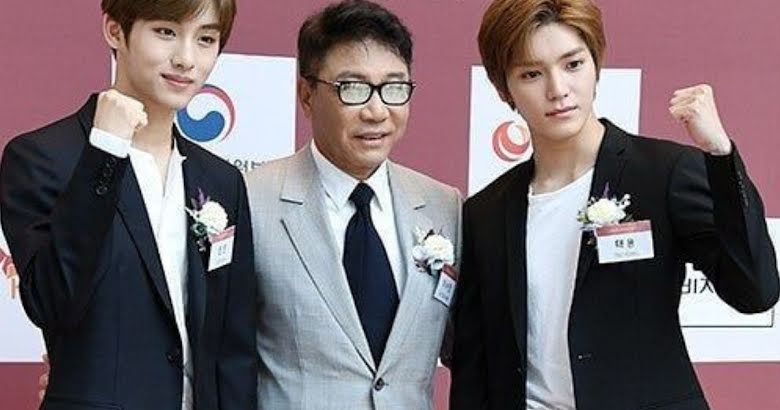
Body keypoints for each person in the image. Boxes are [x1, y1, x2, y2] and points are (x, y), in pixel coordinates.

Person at [450, 0, 779, 409]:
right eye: (532, 74)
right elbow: (474, 365)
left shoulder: (663, 173)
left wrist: (720, 155)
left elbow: (755, 291)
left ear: (596, 64)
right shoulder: (485, 212)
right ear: (504, 88)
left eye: (573, 64)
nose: (558, 89)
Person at [0, 1, 256, 409]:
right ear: (115, 31)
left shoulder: (221, 180)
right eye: (166, 32)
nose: (186, 58)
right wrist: (106, 150)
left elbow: (233, 347)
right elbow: (52, 303)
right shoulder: (42, 158)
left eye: (206, 39)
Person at [244, 1, 461, 408]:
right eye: (353, 88)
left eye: (394, 88)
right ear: (306, 95)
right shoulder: (252, 200)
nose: (377, 111)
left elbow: (467, 349)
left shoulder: (444, 206)